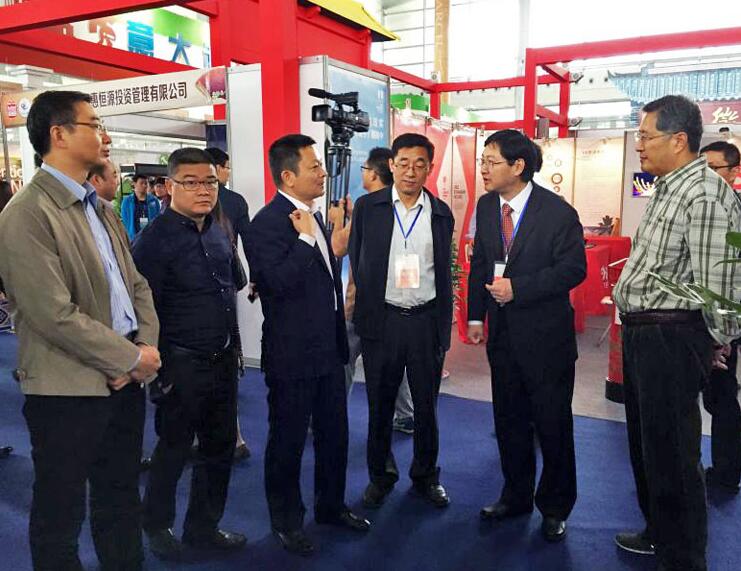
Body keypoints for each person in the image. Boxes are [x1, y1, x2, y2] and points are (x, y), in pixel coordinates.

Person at [0, 90, 161, 571]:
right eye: (94, 124)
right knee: (60, 513)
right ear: (59, 134)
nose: (105, 135)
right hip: (66, 392)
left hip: (125, 382)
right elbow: (52, 314)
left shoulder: (101, 208)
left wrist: (143, 348)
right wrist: (129, 359)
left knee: (120, 498)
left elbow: (136, 285)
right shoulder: (26, 214)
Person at [613, 95, 741, 571]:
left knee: (674, 454)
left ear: (679, 139)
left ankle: (683, 558)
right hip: (645, 333)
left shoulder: (705, 194)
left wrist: (717, 340)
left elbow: (721, 284)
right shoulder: (670, 187)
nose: (639, 145)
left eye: (646, 136)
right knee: (649, 448)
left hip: (671, 337)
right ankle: (659, 533)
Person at [245, 134, 369, 556]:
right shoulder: (266, 224)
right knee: (288, 442)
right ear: (287, 176)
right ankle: (287, 521)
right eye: (314, 166)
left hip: (328, 350)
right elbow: (276, 284)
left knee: (335, 435)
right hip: (292, 355)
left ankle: (331, 507)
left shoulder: (313, 215)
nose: (323, 173)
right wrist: (304, 241)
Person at [467, 130, 585, 543]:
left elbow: (574, 270)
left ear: (518, 166)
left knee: (552, 426)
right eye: (482, 161)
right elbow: (481, 263)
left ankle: (555, 507)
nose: (483, 169)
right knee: (509, 422)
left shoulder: (557, 212)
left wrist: (520, 288)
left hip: (547, 341)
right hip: (503, 338)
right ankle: (514, 496)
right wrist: (476, 316)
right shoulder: (486, 206)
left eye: (491, 161)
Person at [132, 148, 246, 560]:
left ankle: (204, 527)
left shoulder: (218, 229)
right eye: (192, 182)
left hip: (221, 358)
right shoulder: (153, 241)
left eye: (210, 182)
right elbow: (143, 311)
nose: (203, 190)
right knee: (173, 449)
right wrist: (158, 372)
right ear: (170, 186)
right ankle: (157, 525)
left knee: (219, 448)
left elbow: (232, 286)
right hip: (179, 364)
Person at [349, 133, 454, 510]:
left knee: (426, 407)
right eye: (404, 163)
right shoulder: (368, 207)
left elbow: (442, 270)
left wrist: (442, 325)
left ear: (430, 168)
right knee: (380, 405)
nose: (411, 171)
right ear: (391, 165)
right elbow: (358, 258)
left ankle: (426, 476)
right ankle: (381, 476)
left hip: (425, 321)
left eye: (419, 164)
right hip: (383, 321)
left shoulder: (440, 212)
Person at [327, 147, 415, 434]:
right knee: (392, 360)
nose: (362, 173)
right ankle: (406, 414)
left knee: (344, 357)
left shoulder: (368, 207)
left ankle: (333, 413)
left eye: (364, 169)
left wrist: (337, 219)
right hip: (393, 303)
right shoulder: (396, 205)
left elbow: (338, 247)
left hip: (361, 304)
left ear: (375, 174)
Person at [699, 140, 741, 494]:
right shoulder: (700, 207)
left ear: (733, 172)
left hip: (724, 319)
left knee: (722, 395)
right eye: (702, 168)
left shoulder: (734, 212)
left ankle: (727, 472)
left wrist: (724, 333)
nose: (707, 176)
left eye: (714, 168)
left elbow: (730, 277)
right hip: (694, 316)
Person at [204, 146, 252, 460]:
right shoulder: (233, 202)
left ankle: (229, 436)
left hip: (216, 295)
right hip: (218, 296)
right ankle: (230, 437)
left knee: (220, 362)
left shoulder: (229, 205)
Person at [121, 173, 160, 240]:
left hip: (150, 238)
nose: (144, 185)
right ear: (134, 184)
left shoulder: (154, 200)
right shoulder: (127, 201)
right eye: (141, 183)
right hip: (133, 238)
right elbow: (125, 221)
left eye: (146, 183)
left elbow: (158, 220)